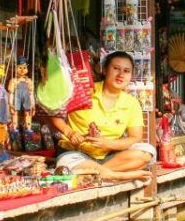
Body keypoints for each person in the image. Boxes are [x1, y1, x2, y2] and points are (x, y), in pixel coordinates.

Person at [49, 51, 155, 181]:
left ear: (131, 75)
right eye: (116, 68)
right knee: (67, 161)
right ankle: (116, 175)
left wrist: (108, 144)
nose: (121, 75)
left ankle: (94, 173)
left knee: (147, 152)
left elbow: (135, 137)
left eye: (126, 71)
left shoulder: (131, 103)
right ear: (104, 70)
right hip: (77, 153)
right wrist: (70, 133)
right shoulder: (84, 92)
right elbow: (54, 112)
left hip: (109, 157)